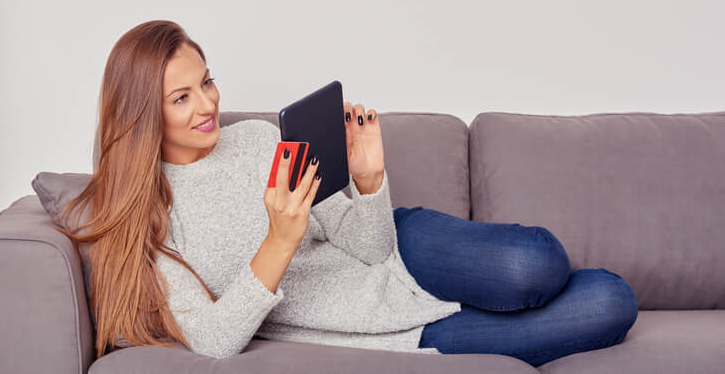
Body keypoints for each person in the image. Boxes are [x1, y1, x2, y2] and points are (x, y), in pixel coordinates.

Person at [54, 20, 639, 365]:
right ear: (143, 114)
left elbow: (370, 247)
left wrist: (369, 182)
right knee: (610, 302)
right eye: (182, 98)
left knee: (536, 262)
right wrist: (279, 242)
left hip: (404, 248)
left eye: (206, 82)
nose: (208, 104)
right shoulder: (153, 221)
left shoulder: (258, 139)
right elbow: (213, 340)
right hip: (384, 327)